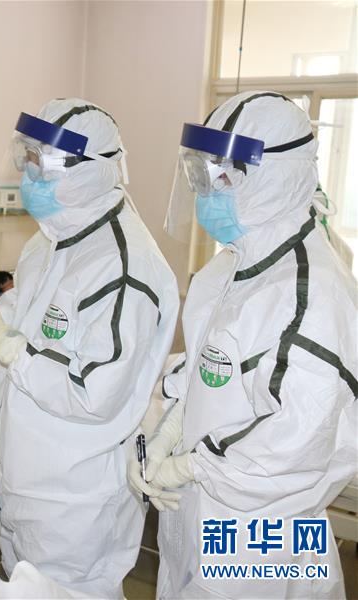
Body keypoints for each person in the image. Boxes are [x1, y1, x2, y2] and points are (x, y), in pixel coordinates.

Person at [0, 98, 180, 598]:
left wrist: (3, 343)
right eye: (25, 157)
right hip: (26, 485)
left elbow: (94, 394)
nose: (28, 173)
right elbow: (31, 323)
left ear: (88, 172)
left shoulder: (124, 268)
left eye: (41, 163)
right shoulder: (52, 239)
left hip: (75, 504)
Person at [131, 91, 357, 598]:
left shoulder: (311, 299)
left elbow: (292, 444)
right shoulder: (233, 266)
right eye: (203, 173)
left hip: (262, 541)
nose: (208, 190)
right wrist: (166, 432)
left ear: (277, 178)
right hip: (205, 513)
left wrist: (189, 465)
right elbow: (210, 375)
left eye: (226, 176)